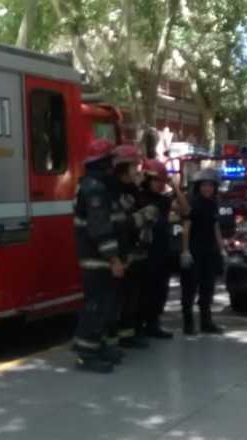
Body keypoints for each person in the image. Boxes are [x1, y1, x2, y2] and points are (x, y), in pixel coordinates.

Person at [73, 139, 127, 373]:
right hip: (97, 260)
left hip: (98, 259)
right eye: (112, 160)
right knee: (95, 306)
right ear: (105, 163)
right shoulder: (95, 189)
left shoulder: (96, 185)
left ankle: (97, 346)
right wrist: (114, 259)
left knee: (104, 306)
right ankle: (86, 354)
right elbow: (100, 229)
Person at [108, 144, 158, 349]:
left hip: (136, 252)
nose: (138, 170)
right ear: (123, 168)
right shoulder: (113, 192)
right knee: (118, 299)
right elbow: (118, 225)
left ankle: (128, 335)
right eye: (134, 166)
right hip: (121, 253)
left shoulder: (132, 190)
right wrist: (142, 216)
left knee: (132, 297)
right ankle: (113, 340)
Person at [136, 159, 189, 339]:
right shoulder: (138, 197)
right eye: (155, 180)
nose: (158, 184)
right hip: (143, 253)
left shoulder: (162, 200)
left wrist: (174, 187)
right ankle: (138, 327)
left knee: (160, 290)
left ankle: (153, 324)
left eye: (161, 181)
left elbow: (185, 210)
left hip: (161, 252)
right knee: (142, 292)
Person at [180, 168, 226, 335]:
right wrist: (185, 251)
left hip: (209, 252)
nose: (207, 188)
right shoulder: (192, 204)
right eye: (204, 185)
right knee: (190, 289)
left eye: (210, 185)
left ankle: (206, 322)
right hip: (194, 251)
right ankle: (188, 324)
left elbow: (216, 227)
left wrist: (222, 249)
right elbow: (186, 228)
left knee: (207, 288)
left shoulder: (213, 204)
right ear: (198, 187)